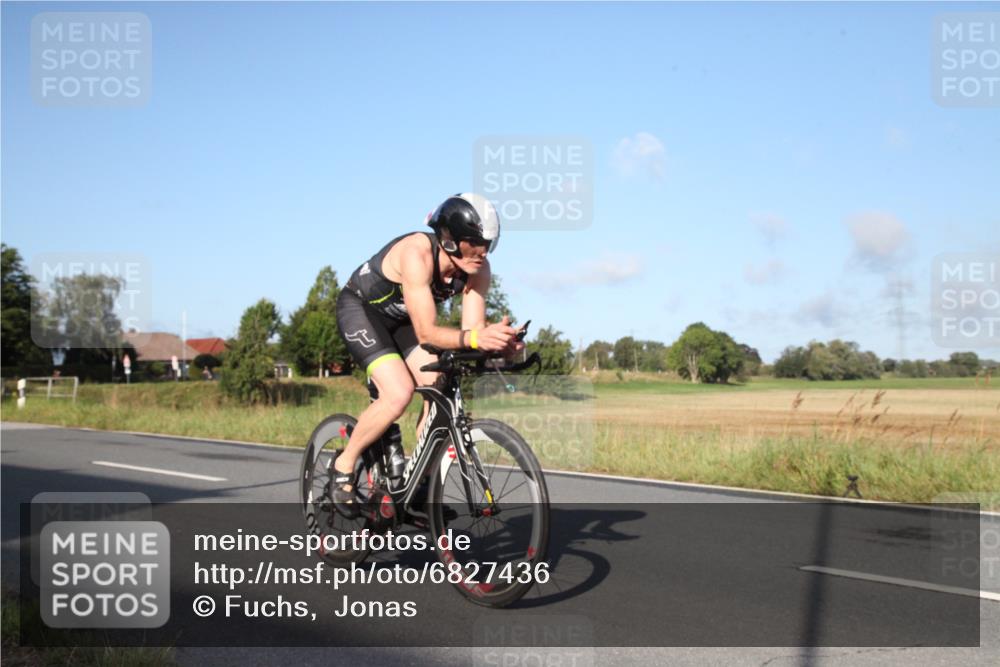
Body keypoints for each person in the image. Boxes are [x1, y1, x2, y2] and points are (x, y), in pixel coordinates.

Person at [332, 193, 523, 517]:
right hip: (362, 310)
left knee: (440, 384)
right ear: (449, 239)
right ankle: (343, 465)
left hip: (402, 320)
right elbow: (427, 332)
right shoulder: (417, 253)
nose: (482, 252)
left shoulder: (478, 269)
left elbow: (472, 330)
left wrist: (499, 342)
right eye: (473, 243)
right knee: (398, 393)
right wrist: (476, 338)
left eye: (488, 244)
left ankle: (421, 483)